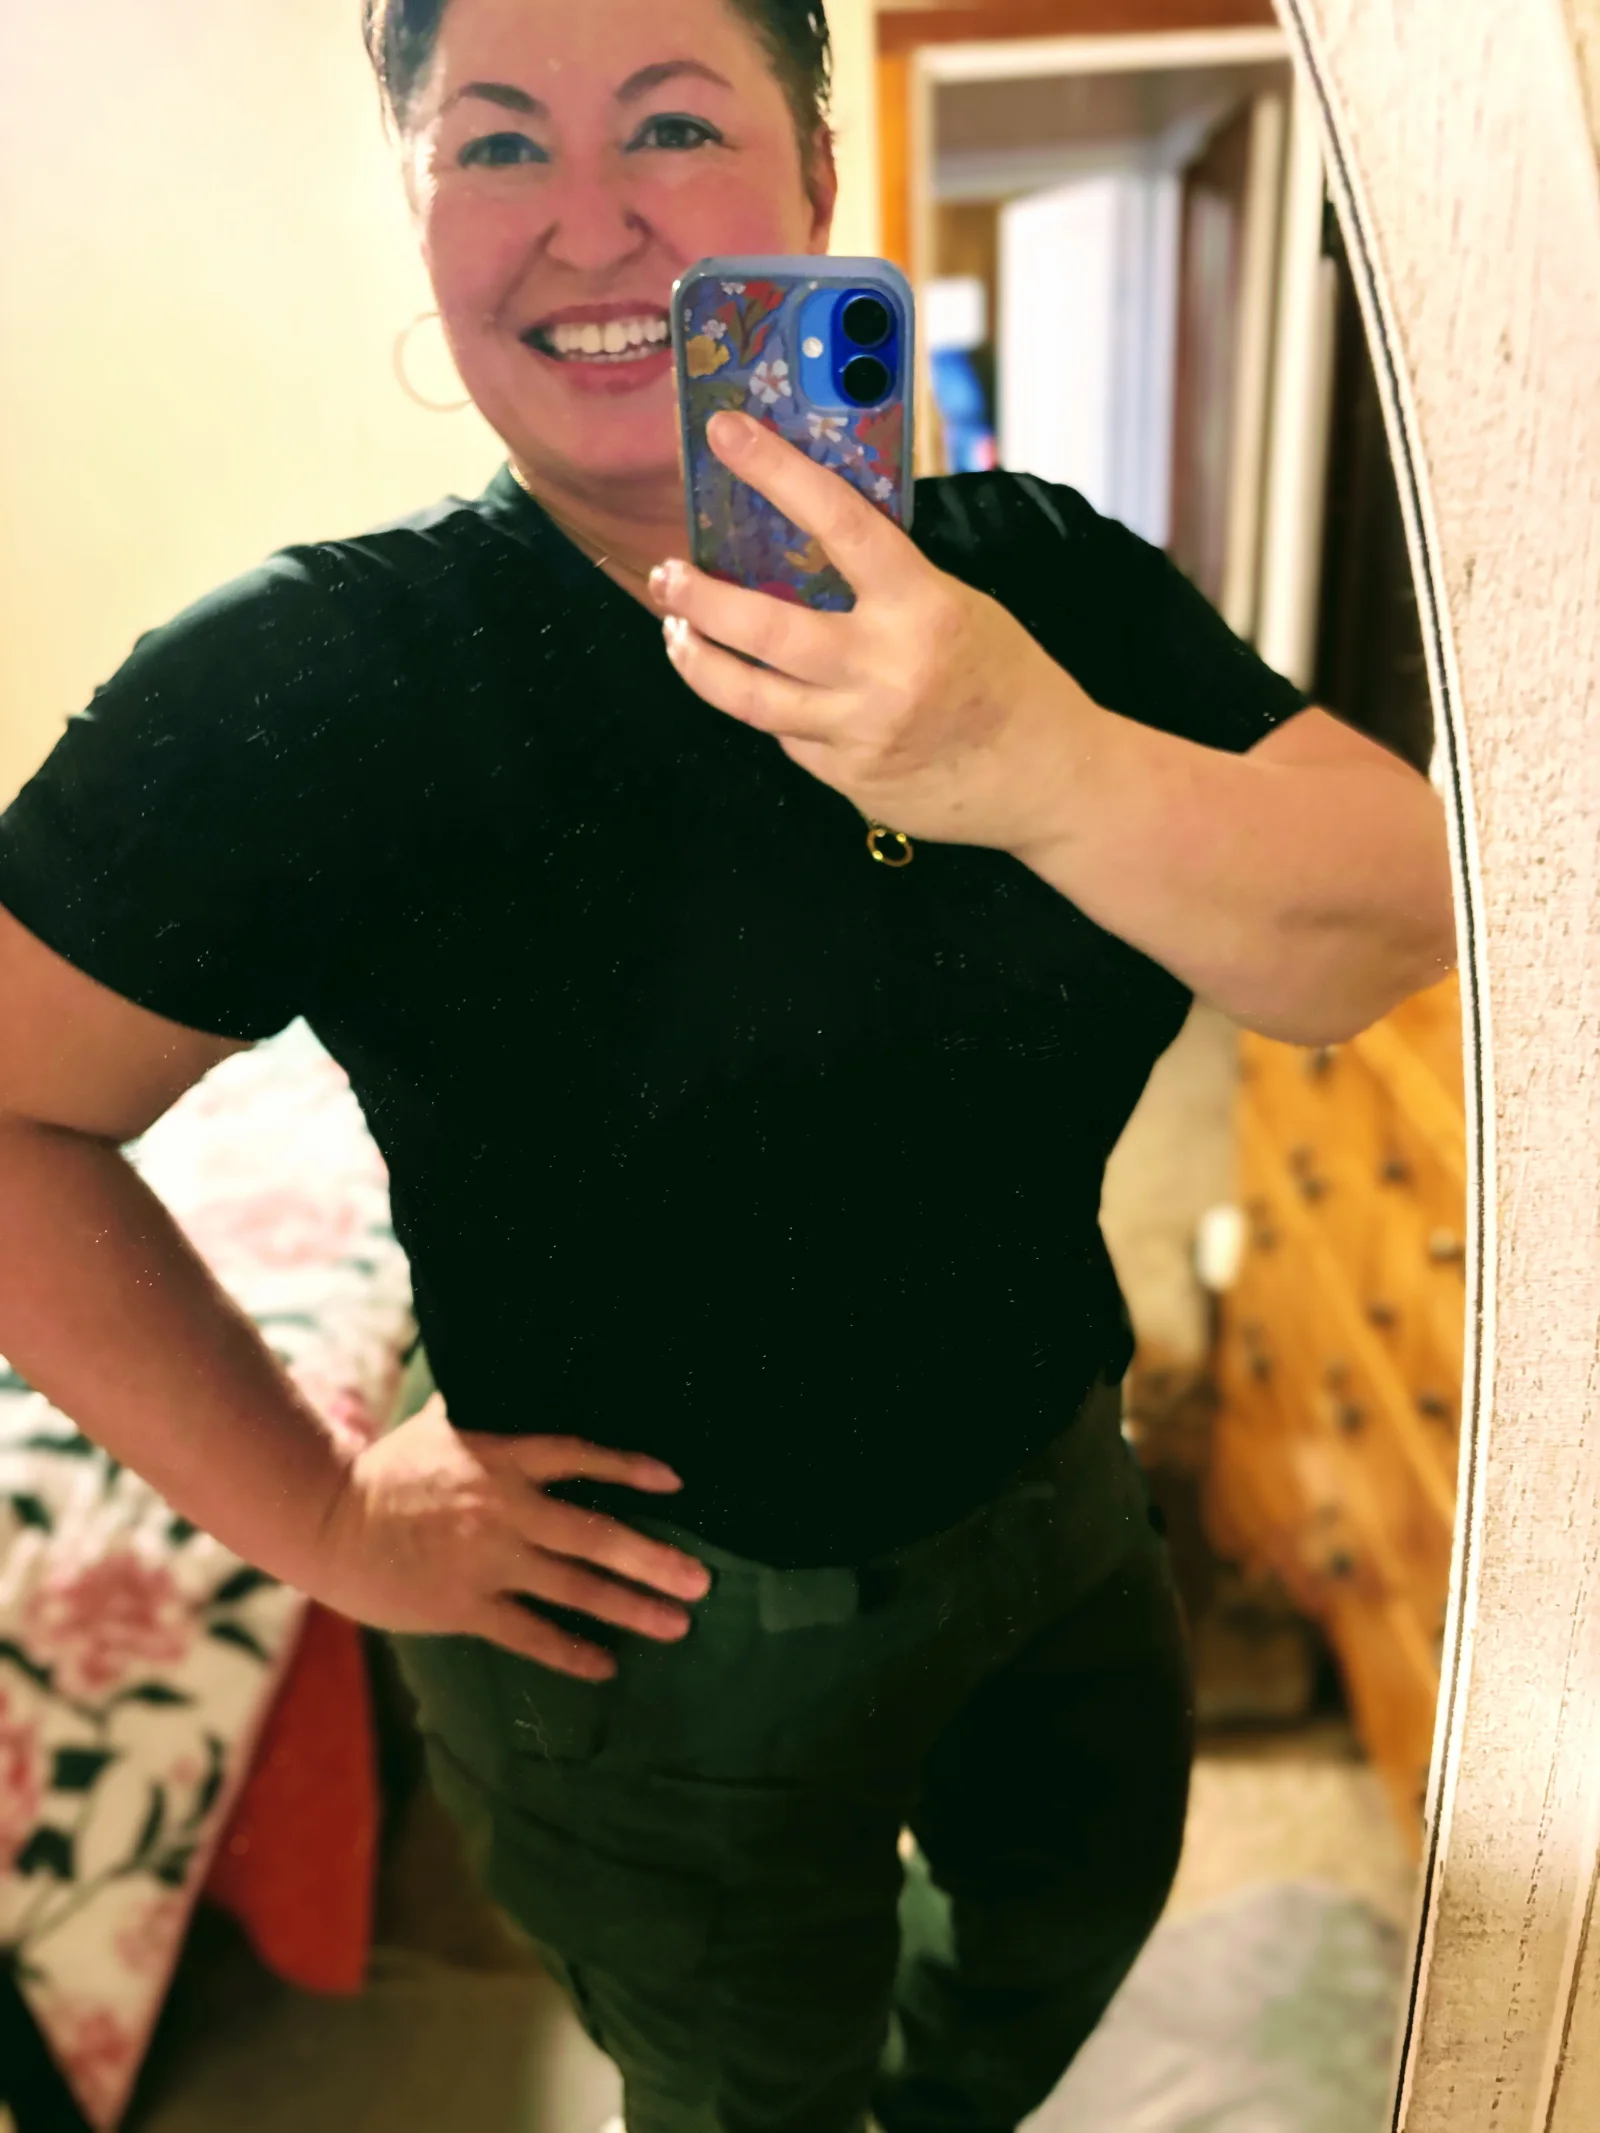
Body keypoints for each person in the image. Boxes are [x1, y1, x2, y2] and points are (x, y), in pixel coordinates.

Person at [0, 2, 1456, 2129]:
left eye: (671, 124)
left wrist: (1033, 762)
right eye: (498, 144)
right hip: (646, 1647)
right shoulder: (308, 688)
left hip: (1062, 1499)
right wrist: (319, 1510)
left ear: (815, 180)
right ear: (418, 206)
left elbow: (1397, 911)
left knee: (1065, 1925)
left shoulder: (1039, 581)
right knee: (747, 2091)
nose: (589, 222)